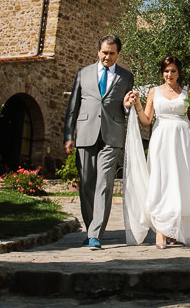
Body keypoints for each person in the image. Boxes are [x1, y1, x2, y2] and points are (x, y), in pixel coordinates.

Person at [123, 56, 190, 248]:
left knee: (180, 183)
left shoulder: (188, 92)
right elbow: (146, 120)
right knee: (162, 182)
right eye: (166, 71)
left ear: (178, 72)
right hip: (161, 140)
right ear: (162, 73)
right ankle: (161, 231)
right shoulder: (154, 92)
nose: (169, 75)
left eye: (172, 71)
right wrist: (137, 105)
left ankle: (176, 230)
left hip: (182, 141)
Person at [63, 34, 135, 250]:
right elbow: (72, 107)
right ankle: (90, 227)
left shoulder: (126, 76)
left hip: (112, 135)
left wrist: (126, 105)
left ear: (117, 54)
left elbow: (127, 107)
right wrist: (68, 135)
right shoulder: (83, 73)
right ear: (98, 52)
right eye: (104, 52)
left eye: (112, 53)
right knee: (86, 184)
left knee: (104, 183)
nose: (107, 57)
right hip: (85, 133)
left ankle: (95, 234)